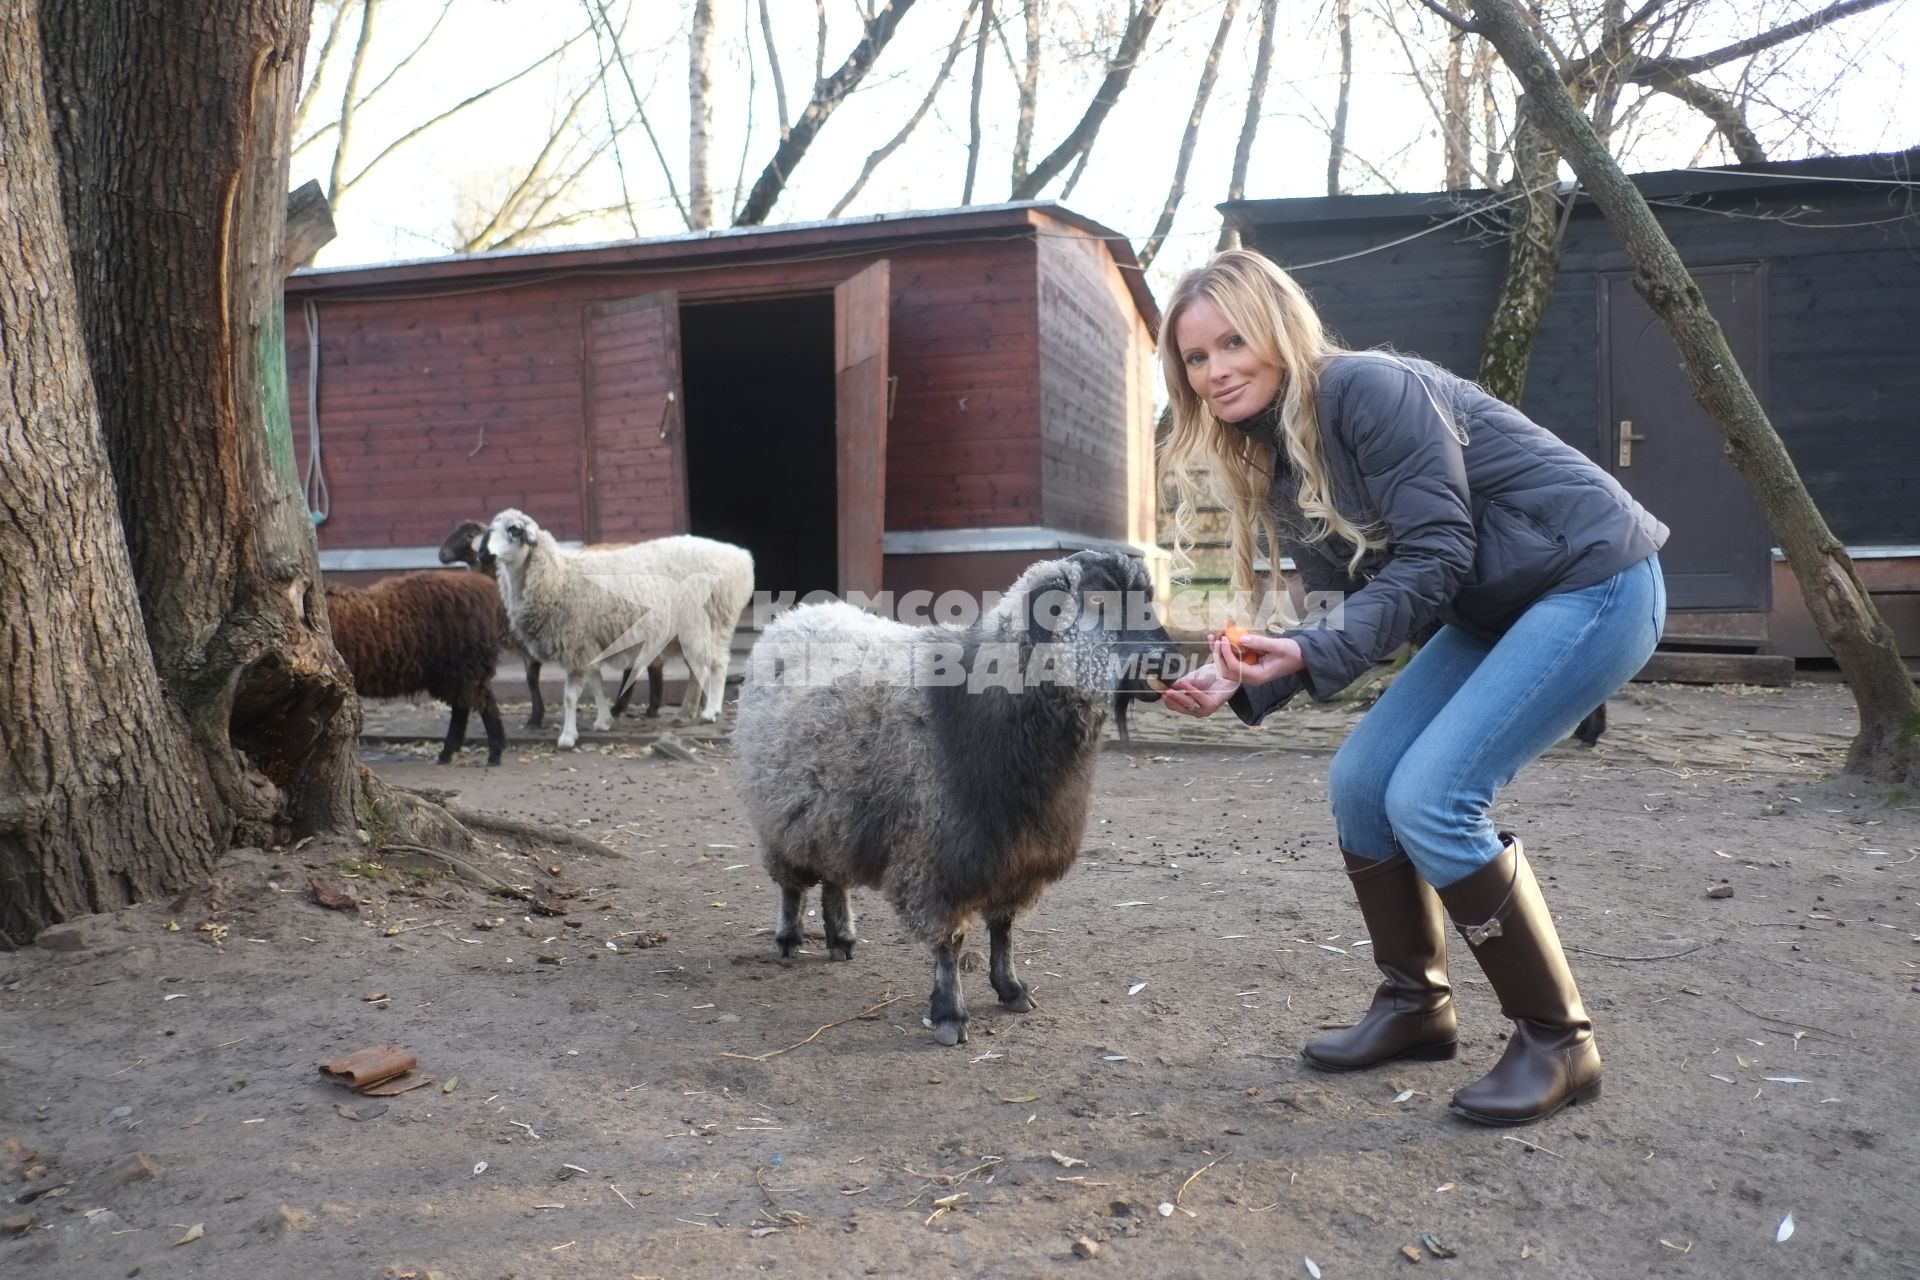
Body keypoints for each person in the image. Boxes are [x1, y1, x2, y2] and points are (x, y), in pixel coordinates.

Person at [1160, 250, 1667, 1127]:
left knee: (1433, 796)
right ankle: (1415, 1006)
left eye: (1232, 341)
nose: (1215, 371)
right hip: (1493, 609)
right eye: (1196, 359)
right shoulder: (1271, 450)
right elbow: (1351, 600)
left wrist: (1310, 651)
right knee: (1361, 783)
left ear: (1279, 331)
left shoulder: (1366, 389)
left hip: (1592, 580)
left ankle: (1558, 1041)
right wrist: (1246, 673)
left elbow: (1437, 555)